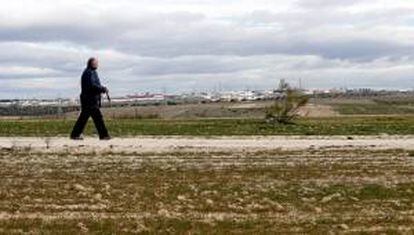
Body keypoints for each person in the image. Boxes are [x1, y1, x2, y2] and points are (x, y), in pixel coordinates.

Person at [70, 57, 111, 140]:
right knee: (97, 118)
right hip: (89, 100)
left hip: (90, 99)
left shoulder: (93, 72)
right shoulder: (88, 73)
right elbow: (92, 86)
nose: (97, 64)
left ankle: (75, 134)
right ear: (91, 63)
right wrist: (102, 89)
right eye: (95, 63)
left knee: (84, 118)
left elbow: (95, 85)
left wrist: (101, 89)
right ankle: (104, 135)